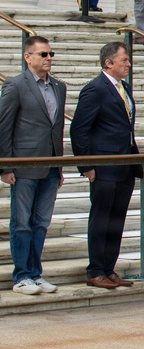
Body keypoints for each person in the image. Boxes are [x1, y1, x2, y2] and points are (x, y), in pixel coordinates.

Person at [70, 42, 140, 290]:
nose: (128, 64)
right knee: (101, 219)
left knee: (116, 220)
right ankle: (96, 270)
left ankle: (109, 269)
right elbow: (79, 129)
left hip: (125, 165)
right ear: (108, 63)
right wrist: (86, 165)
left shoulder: (124, 87)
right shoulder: (95, 89)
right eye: (123, 60)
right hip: (103, 167)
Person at [0, 36, 67, 295]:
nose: (49, 58)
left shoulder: (59, 87)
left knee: (41, 223)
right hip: (24, 166)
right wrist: (5, 166)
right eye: (43, 54)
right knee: (22, 223)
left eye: (51, 54)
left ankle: (35, 273)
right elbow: (4, 126)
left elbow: (56, 129)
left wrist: (59, 167)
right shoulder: (15, 85)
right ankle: (22, 276)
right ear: (28, 57)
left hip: (50, 166)